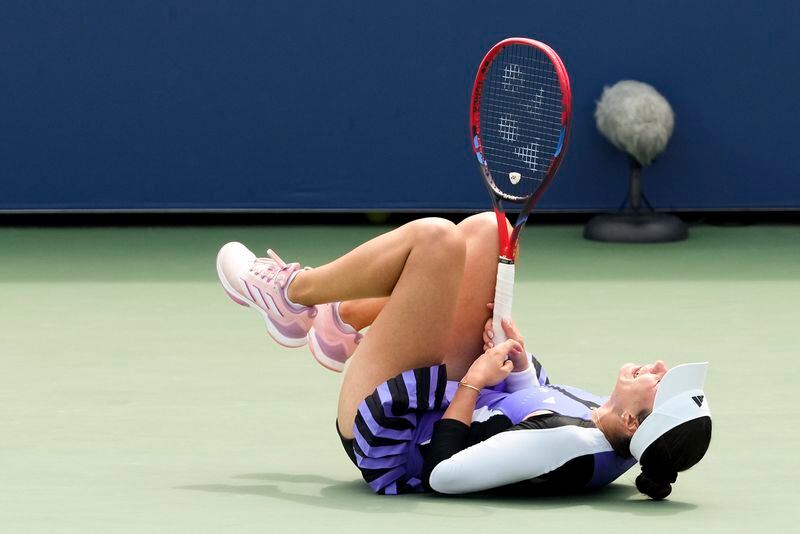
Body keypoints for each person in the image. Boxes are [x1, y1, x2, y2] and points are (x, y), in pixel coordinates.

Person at [215, 213, 712, 499]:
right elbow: (533, 408)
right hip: (445, 397)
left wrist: (475, 380)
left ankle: (293, 295)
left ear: (631, 420)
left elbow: (444, 472)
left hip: (392, 426)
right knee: (486, 232)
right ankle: (336, 326)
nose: (661, 368)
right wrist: (516, 365)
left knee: (434, 240)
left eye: (661, 385)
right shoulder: (609, 427)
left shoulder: (569, 445)